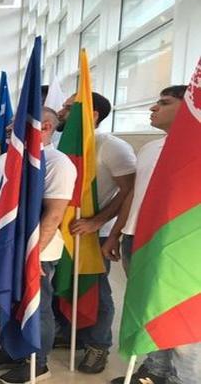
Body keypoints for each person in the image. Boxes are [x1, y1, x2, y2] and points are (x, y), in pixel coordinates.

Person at [0, 106, 77, 383]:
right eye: (11, 123)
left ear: (46, 127)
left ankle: (36, 363)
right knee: (7, 302)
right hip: (2, 247)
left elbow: (54, 213)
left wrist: (34, 254)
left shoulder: (57, 162)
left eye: (18, 123)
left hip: (36, 252)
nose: (9, 128)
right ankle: (11, 349)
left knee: (36, 306)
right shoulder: (5, 159)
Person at [101, 85, 190, 384]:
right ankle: (155, 369)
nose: (154, 108)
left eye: (164, 103)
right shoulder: (150, 149)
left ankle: (178, 376)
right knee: (144, 307)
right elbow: (133, 195)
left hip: (173, 244)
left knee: (173, 310)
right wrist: (116, 234)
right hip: (135, 238)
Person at [54, 92, 137, 373]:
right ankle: (71, 333)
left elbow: (129, 191)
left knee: (96, 291)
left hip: (94, 232)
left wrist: (97, 222)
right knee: (64, 284)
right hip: (63, 231)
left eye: (68, 108)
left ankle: (98, 345)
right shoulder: (63, 143)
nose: (61, 112)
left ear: (92, 114)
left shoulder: (112, 147)